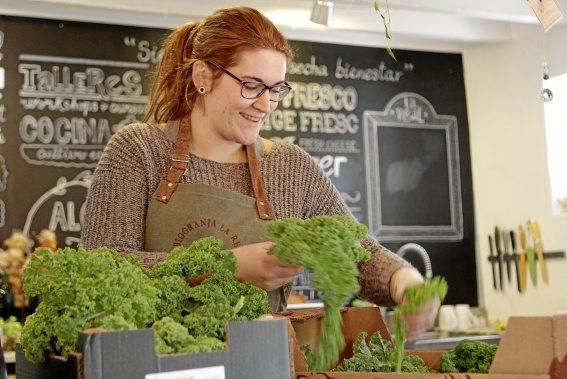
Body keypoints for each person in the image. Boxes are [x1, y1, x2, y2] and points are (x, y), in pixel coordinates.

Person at [82, 6, 438, 340]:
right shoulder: (138, 149)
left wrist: (404, 282)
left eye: (275, 89)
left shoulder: (290, 167)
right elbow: (102, 270)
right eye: (250, 86)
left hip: (264, 362)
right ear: (203, 75)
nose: (265, 105)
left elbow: (356, 252)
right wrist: (226, 266)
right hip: (153, 363)